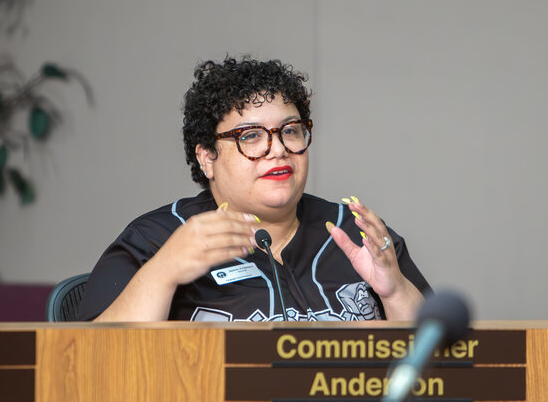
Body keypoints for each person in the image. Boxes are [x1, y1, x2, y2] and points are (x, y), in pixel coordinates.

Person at [78, 57, 431, 322]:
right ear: (207, 157)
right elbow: (90, 363)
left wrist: (394, 290)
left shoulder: (355, 233)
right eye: (251, 136)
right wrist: (164, 270)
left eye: (290, 131)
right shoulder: (155, 237)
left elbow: (444, 363)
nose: (278, 149)